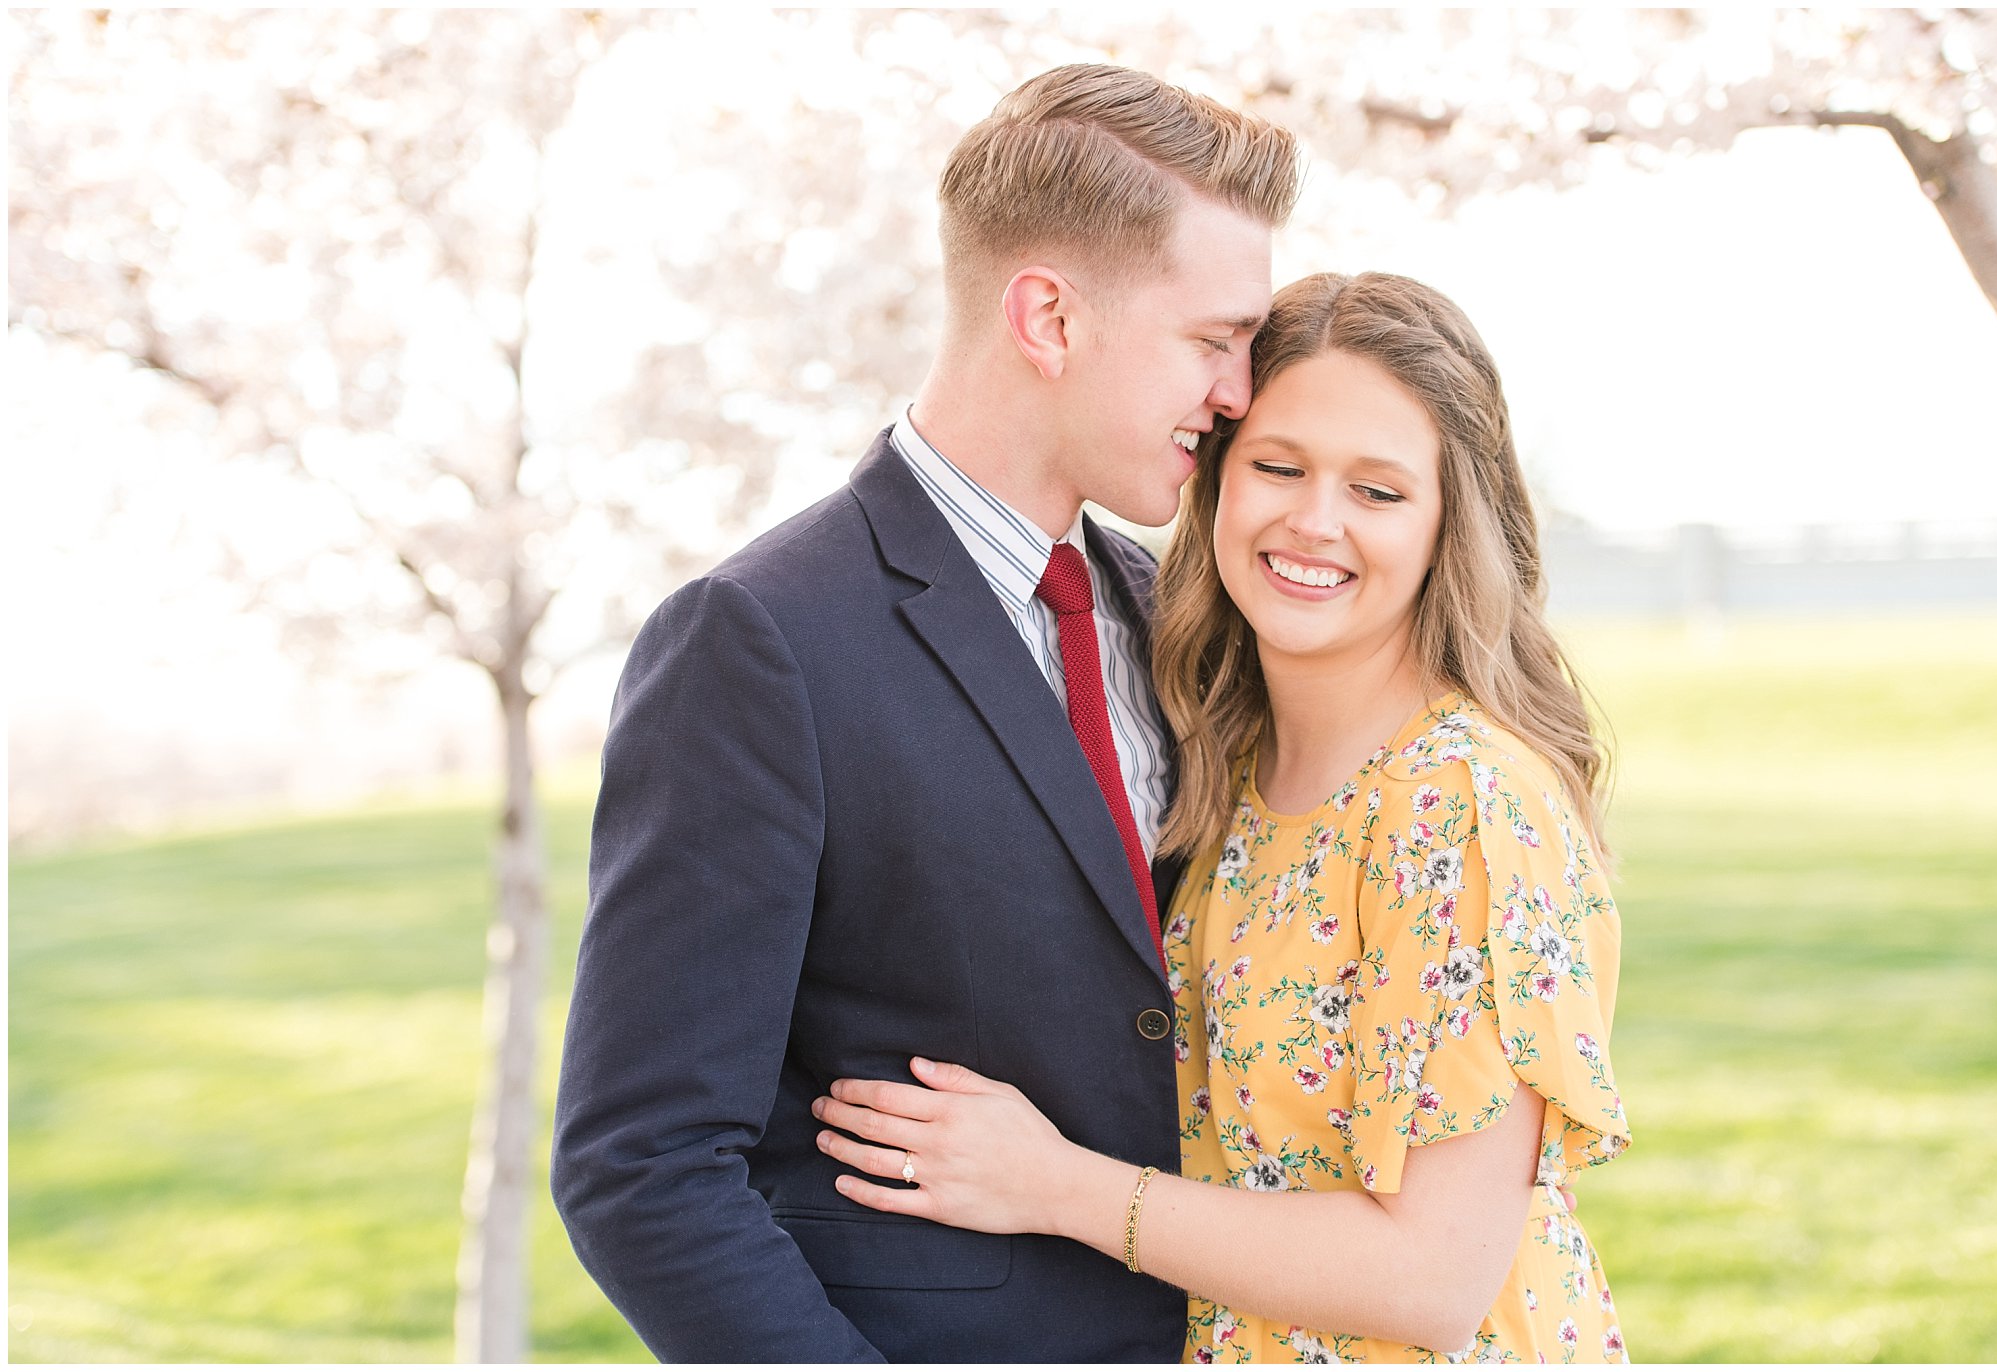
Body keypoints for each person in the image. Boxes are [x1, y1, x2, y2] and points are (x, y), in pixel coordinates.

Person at [550, 65, 1302, 1361]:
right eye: (1211, 339)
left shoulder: (1168, 609)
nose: (1239, 392)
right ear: (1049, 319)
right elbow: (644, 1166)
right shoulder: (759, 643)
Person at [814, 272, 1633, 1363]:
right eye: (1277, 467)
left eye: (1377, 491)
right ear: (1216, 478)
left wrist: (1056, 1186)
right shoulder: (1220, 769)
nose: (1313, 520)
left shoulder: (1460, 803)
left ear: (1448, 523)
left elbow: (1434, 1274)